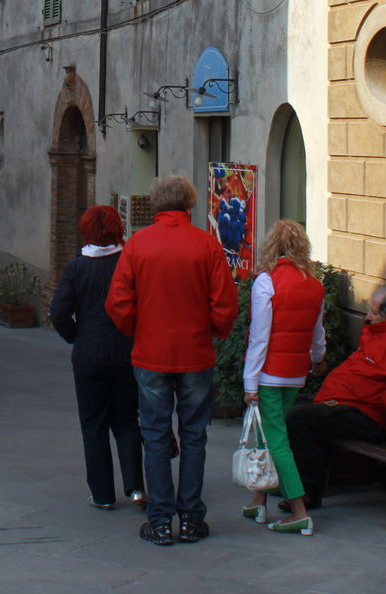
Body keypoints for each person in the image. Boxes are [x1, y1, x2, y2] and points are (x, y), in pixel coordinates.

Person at [105, 175, 238, 547]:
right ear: (189, 204)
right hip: (195, 354)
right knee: (195, 435)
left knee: (155, 434)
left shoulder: (138, 245)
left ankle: (161, 519)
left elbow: (118, 303)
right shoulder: (206, 245)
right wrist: (212, 330)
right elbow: (225, 304)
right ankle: (192, 517)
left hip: (151, 354)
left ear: (156, 204)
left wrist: (139, 329)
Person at [283, 285, 386, 509]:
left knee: (298, 419)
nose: (368, 317)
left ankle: (306, 493)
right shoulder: (382, 332)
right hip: (347, 403)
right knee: (290, 410)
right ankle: (292, 484)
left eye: (373, 312)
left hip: (366, 414)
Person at [49, 205, 144, 512]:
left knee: (94, 424)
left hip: (89, 356)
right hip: (126, 353)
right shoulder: (128, 264)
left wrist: (76, 336)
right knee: (127, 420)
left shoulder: (77, 268)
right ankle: (135, 487)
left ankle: (102, 494)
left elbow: (58, 313)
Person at [238, 220, 326, 535]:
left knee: (276, 440)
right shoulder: (315, 285)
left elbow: (259, 338)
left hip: (269, 373)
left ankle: (299, 510)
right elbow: (317, 332)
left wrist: (250, 383)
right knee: (268, 435)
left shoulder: (267, 282)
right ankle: (258, 501)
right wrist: (317, 359)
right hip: (295, 373)